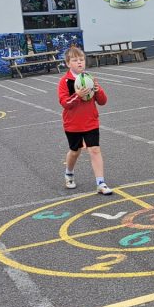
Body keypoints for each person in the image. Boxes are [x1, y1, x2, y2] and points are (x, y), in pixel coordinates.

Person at [57, 45, 113, 195]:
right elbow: (65, 103)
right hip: (73, 124)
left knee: (94, 149)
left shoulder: (89, 78)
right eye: (75, 60)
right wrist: (78, 96)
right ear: (68, 64)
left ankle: (100, 182)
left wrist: (98, 90)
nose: (79, 62)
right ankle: (69, 173)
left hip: (90, 121)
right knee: (75, 151)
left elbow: (102, 101)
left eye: (81, 59)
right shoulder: (65, 82)